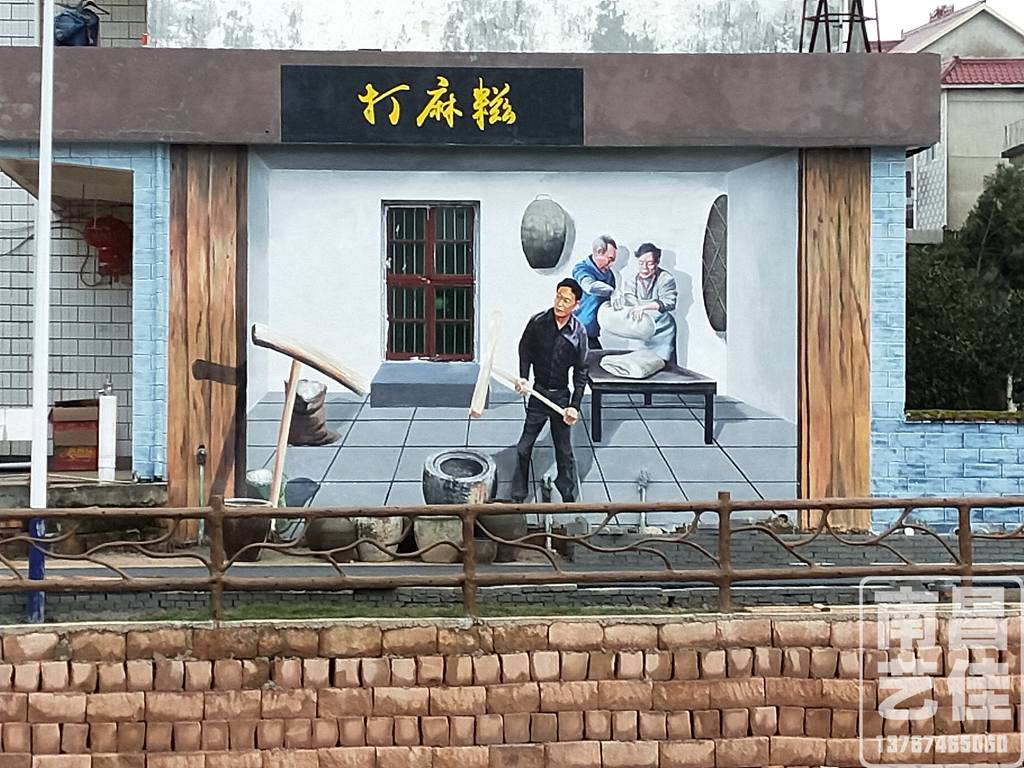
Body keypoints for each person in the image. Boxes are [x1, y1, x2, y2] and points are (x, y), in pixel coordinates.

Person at [511, 278, 589, 503]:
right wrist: (523, 377)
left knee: (564, 450)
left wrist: (574, 406)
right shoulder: (538, 323)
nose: (560, 304)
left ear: (576, 305)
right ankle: (518, 494)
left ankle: (567, 493)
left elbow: (581, 372)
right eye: (558, 297)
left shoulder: (578, 333)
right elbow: (524, 349)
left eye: (566, 300)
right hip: (538, 394)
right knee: (523, 448)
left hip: (561, 397)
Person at [622, 242, 678, 364]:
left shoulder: (665, 278)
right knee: (638, 364)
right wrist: (635, 307)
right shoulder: (631, 280)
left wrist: (644, 307)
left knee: (663, 365)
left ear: (657, 263)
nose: (644, 268)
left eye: (650, 263)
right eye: (641, 263)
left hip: (662, 330)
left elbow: (669, 302)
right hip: (640, 329)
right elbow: (628, 297)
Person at [572, 235, 617, 349]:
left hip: (592, 334)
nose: (612, 264)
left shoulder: (610, 276)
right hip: (575, 333)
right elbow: (589, 286)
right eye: (610, 259)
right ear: (599, 252)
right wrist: (612, 291)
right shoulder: (582, 268)